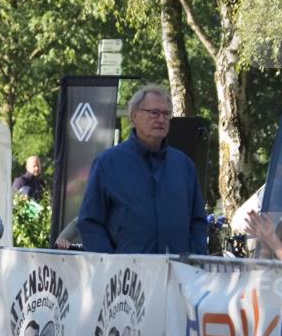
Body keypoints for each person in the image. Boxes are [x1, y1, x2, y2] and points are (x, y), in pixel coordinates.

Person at [77, 85, 207, 254]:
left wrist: (194, 261)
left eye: (166, 114)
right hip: (126, 275)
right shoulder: (108, 164)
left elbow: (198, 222)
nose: (161, 119)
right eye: (154, 113)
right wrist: (110, 263)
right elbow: (89, 222)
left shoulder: (184, 166)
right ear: (134, 116)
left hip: (178, 273)